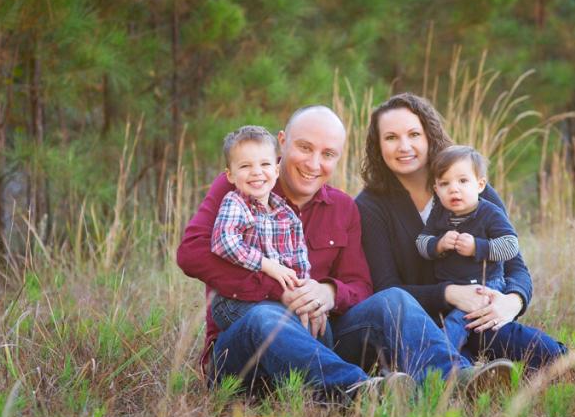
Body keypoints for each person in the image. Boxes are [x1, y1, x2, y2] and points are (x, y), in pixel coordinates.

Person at [177, 105, 515, 398]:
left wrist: (328, 292)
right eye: (304, 148)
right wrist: (282, 291)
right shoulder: (243, 182)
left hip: (321, 340)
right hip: (245, 355)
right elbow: (191, 253)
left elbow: (361, 285)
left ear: (338, 157)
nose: (313, 163)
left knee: (393, 299)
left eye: (327, 154)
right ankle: (356, 390)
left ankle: (454, 380)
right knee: (268, 317)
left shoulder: (343, 208)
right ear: (282, 142)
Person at [355, 93, 567, 371]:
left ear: (430, 135)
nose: (404, 146)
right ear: (378, 145)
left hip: (479, 316)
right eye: (391, 137)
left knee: (513, 340)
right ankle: (468, 379)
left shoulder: (470, 188)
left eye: (414, 134)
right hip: (419, 327)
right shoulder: (370, 206)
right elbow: (387, 290)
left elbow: (515, 265)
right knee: (452, 353)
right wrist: (450, 293)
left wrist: (511, 302)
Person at [416, 145, 519, 352]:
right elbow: (421, 242)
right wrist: (438, 244)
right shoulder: (439, 214)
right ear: (436, 189)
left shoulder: (490, 213)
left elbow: (510, 246)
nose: (454, 189)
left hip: (485, 284)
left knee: (458, 322)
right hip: (451, 288)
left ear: (480, 184)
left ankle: (437, 360)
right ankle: (460, 359)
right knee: (439, 322)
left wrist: (477, 247)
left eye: (463, 181)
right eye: (445, 184)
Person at [209, 125, 311, 332]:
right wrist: (268, 265)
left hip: (277, 302)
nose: (256, 172)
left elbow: (300, 261)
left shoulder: (287, 215)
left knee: (315, 327)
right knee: (278, 323)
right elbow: (223, 242)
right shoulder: (235, 203)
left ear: (276, 169)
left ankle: (320, 363)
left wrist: (303, 297)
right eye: (245, 166)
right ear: (230, 175)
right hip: (235, 301)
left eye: (264, 163)